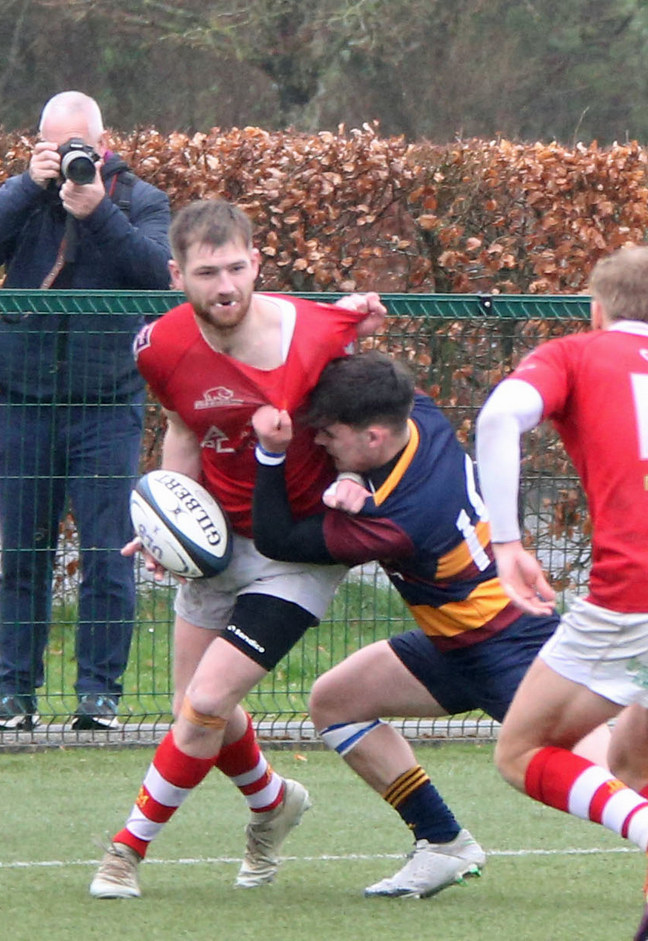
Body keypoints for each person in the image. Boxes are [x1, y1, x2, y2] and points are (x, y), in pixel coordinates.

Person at [249, 349, 648, 905]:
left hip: (511, 649)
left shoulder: (398, 522)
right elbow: (356, 392)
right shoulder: (419, 414)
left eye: (328, 434)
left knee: (627, 778)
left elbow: (277, 540)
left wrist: (272, 456)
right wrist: (351, 470)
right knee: (335, 701)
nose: (319, 442)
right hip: (454, 643)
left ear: (374, 437)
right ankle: (442, 841)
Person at [89, 198, 387, 899]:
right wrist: (169, 518)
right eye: (205, 272)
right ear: (176, 275)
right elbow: (184, 433)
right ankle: (273, 800)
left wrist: (351, 478)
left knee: (208, 702)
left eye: (234, 268)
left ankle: (125, 852)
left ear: (257, 264)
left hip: (300, 551)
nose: (223, 285)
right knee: (193, 708)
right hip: (219, 541)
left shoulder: (316, 330)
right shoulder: (158, 347)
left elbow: (374, 413)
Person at [475, 246, 648, 941]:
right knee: (640, 760)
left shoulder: (578, 352)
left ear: (595, 311)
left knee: (521, 751)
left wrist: (507, 542)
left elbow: (496, 418)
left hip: (645, 590)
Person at [0, 91, 172, 732]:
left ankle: (98, 695)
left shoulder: (139, 200)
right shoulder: (22, 197)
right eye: (56, 145)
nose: (72, 157)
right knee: (24, 551)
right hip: (25, 400)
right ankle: (13, 695)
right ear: (38, 143)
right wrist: (28, 186)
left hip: (106, 403)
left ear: (105, 146)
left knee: (109, 554)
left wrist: (98, 211)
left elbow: (156, 275)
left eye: (82, 147)